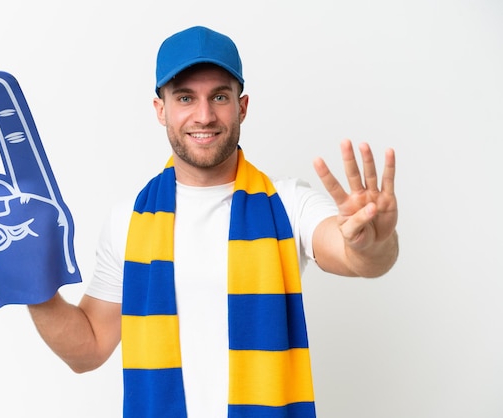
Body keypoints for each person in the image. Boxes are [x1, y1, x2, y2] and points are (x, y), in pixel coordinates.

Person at [27, 26, 398, 418]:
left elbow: (356, 256)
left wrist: (371, 243)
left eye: (219, 96)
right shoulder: (129, 221)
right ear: (161, 109)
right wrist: (33, 286)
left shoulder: (287, 204)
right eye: (185, 97)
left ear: (242, 106)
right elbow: (88, 350)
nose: (204, 116)